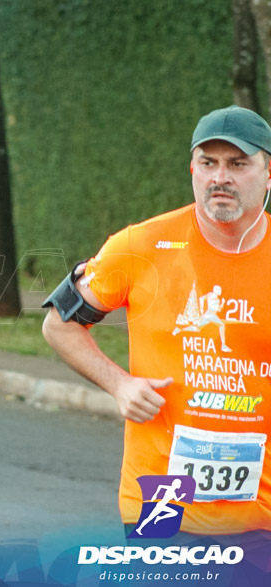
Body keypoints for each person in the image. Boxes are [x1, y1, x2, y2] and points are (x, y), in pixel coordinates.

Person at [42, 105, 271, 536]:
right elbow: (59, 323)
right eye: (208, 163)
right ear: (192, 169)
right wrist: (120, 384)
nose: (220, 177)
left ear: (268, 171)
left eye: (238, 164)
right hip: (159, 502)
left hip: (261, 512)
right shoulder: (140, 246)